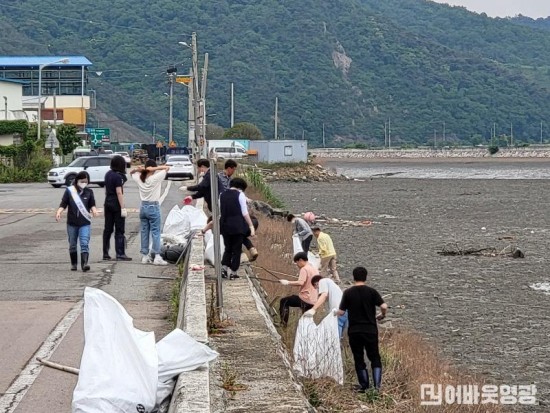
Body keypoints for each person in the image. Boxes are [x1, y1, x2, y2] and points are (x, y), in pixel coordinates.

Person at [336, 267, 388, 393]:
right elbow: (384, 306)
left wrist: (334, 312)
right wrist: (382, 315)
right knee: (375, 357)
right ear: (366, 277)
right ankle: (377, 387)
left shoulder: (348, 293)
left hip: (354, 331)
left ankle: (364, 386)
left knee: (358, 358)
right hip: (370, 329)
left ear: (353, 277)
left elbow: (341, 312)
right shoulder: (372, 292)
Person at [55, 171, 98, 272]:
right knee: (72, 244)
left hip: (84, 222)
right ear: (77, 180)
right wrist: (59, 212)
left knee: (84, 242)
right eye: (82, 181)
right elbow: (64, 203)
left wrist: (94, 210)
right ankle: (74, 264)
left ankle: (84, 264)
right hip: (72, 222)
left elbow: (92, 204)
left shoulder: (89, 192)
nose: (84, 183)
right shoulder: (70, 191)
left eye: (86, 181)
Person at [130, 160, 170, 266]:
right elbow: (166, 168)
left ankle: (145, 256)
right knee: (156, 232)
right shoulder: (155, 178)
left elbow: (132, 172)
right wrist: (154, 169)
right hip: (153, 206)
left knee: (144, 232)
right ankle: (157, 255)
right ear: (152, 168)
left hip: (143, 207)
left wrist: (140, 169)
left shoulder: (140, 178)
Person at [219, 177, 255, 280]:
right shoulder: (240, 194)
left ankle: (224, 269)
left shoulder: (222, 195)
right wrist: (251, 226)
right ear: (241, 188)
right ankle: (233, 273)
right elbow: (244, 213)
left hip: (225, 225)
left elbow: (220, 211)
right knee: (236, 250)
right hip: (237, 226)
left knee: (228, 248)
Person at [102, 155, 132, 261]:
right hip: (116, 203)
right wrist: (122, 207)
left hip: (107, 202)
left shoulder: (108, 174)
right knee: (119, 229)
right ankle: (120, 253)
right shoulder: (118, 177)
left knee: (108, 229)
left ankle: (105, 253)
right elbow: (119, 192)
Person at [278, 252, 319, 327]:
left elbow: (301, 282)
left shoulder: (304, 269)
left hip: (305, 299)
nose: (297, 265)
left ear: (300, 260)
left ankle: (283, 323)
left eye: (297, 263)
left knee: (284, 301)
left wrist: (287, 282)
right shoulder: (314, 269)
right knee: (306, 321)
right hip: (313, 300)